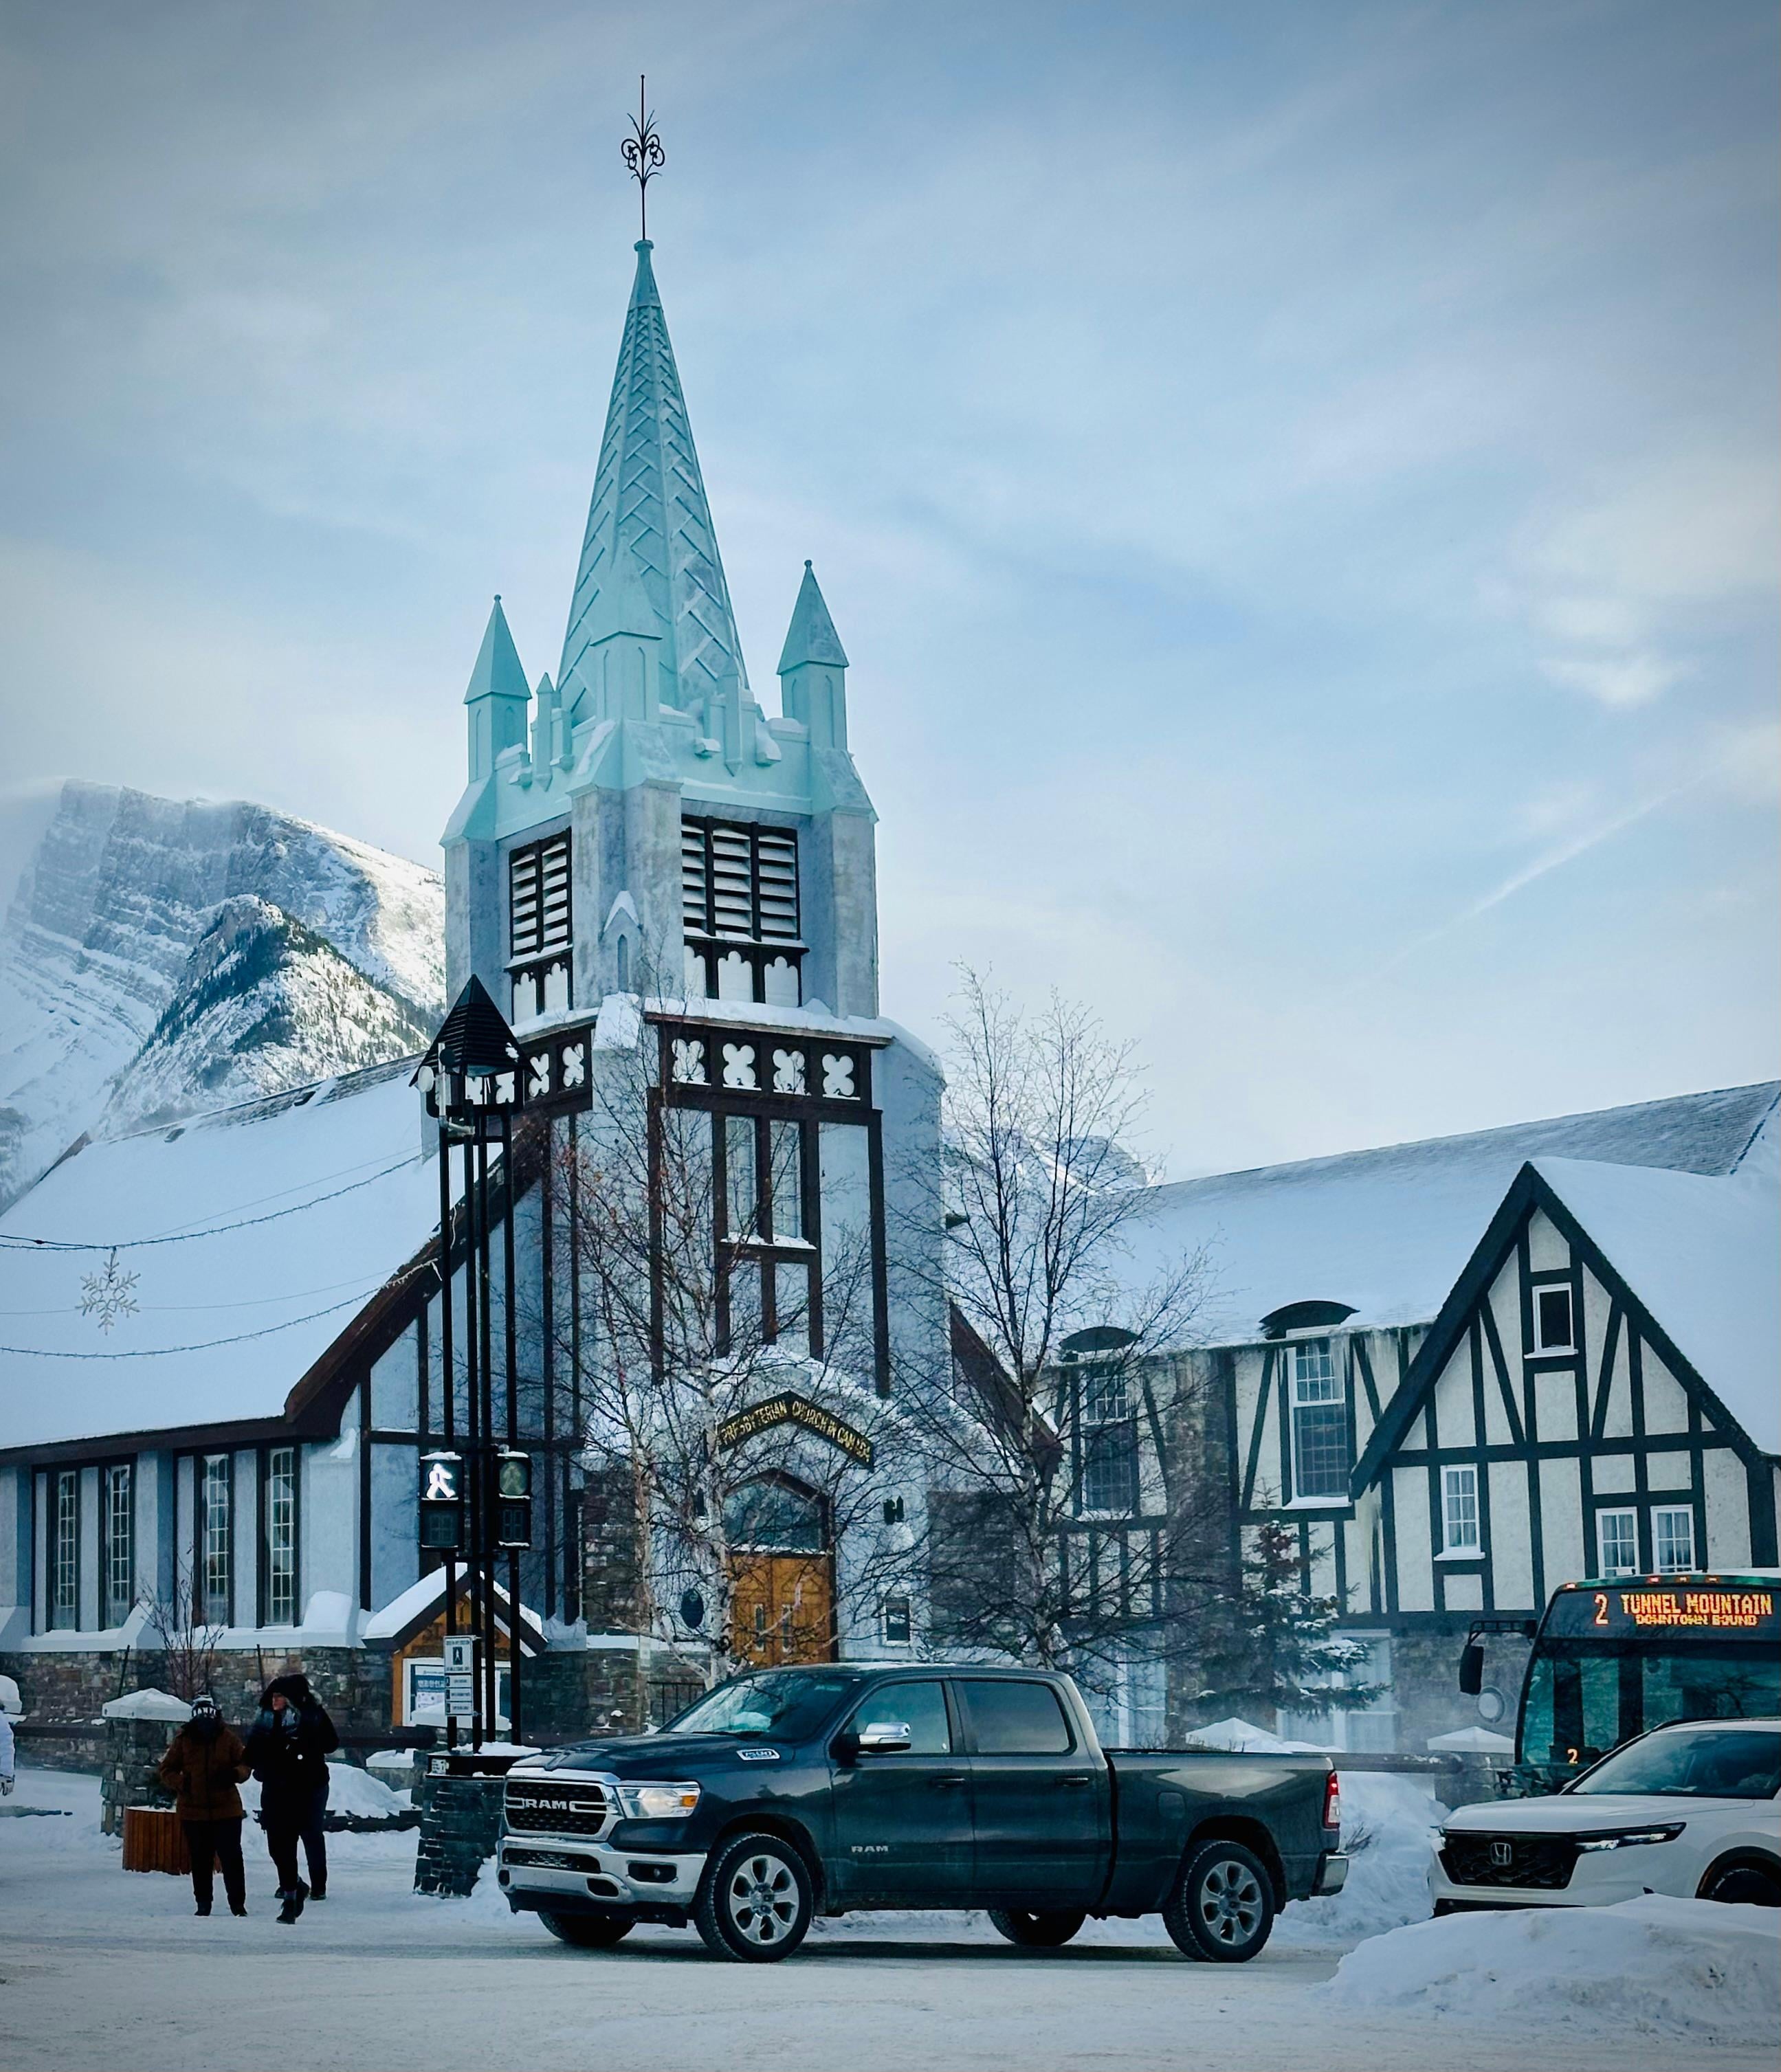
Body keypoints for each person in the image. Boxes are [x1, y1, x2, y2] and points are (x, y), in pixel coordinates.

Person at [244, 1674, 338, 1922]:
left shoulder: (311, 1715)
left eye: (279, 1696)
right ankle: (294, 1884)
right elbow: (251, 1752)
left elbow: (330, 1743)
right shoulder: (265, 1718)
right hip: (274, 1787)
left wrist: (302, 1745)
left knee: (306, 1836)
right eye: (272, 1696)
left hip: (307, 1787)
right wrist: (260, 1763)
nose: (274, 1700)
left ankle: (295, 1896)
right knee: (276, 1844)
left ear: (291, 1699)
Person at [157, 1695, 250, 1917]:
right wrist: (182, 1783)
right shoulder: (183, 1740)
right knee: (200, 1859)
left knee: (231, 1858)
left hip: (226, 1810)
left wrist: (234, 1774)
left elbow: (246, 1763)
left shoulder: (227, 1738)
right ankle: (203, 1903)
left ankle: (237, 1904)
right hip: (194, 1812)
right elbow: (166, 1770)